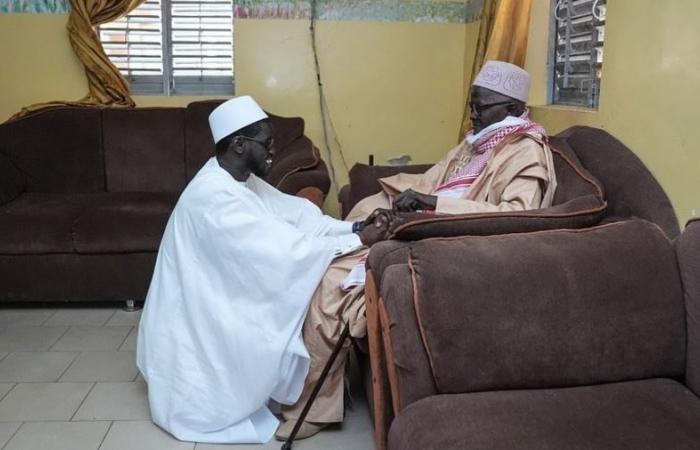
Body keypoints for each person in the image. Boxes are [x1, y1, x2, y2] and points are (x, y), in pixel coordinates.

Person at [276, 60, 558, 440]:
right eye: (471, 104)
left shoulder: (526, 151)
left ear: (511, 109)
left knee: (331, 283)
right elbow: (434, 180)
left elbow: (518, 215)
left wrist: (431, 206)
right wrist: (400, 204)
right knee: (349, 231)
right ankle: (314, 390)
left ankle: (318, 406)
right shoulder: (480, 140)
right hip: (428, 223)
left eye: (482, 106)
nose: (473, 114)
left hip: (454, 241)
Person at [136, 96, 389, 444]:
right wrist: (359, 242)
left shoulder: (239, 179)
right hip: (202, 316)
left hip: (217, 292)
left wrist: (355, 230)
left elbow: (297, 216)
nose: (273, 152)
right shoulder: (213, 196)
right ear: (239, 144)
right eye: (267, 144)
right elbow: (282, 252)